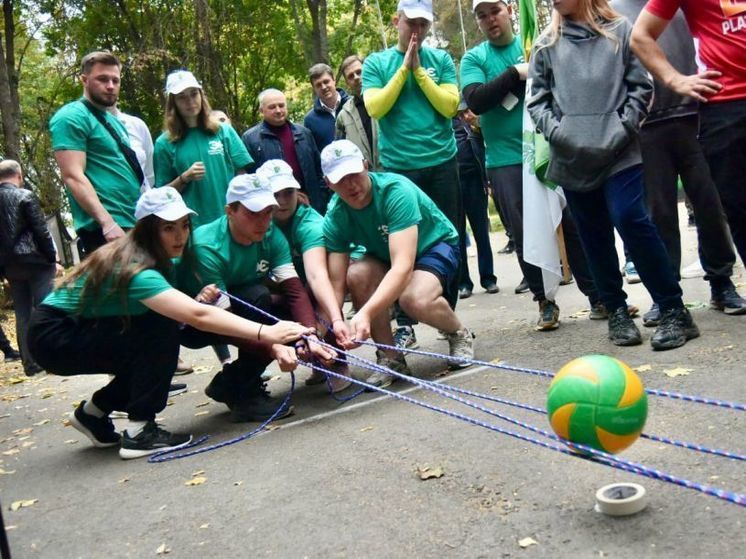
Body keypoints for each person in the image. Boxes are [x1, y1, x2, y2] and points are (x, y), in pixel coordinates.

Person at [27, 187, 311, 459]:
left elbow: (189, 307)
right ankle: (139, 432)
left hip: (70, 327)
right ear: (148, 230)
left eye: (184, 225)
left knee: (151, 337)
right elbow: (197, 316)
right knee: (159, 332)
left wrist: (197, 299)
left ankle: (93, 414)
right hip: (55, 334)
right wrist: (269, 334)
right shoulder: (137, 270)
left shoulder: (155, 258)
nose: (180, 236)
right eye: (168, 228)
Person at [527, 0, 698, 350]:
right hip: (572, 157)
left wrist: (623, 128)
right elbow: (538, 102)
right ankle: (616, 310)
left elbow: (641, 87)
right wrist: (560, 133)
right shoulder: (546, 44)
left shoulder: (621, 32)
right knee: (593, 233)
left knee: (630, 217)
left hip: (621, 152)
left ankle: (673, 309)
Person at [463, 0, 601, 330]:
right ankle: (545, 301)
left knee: (573, 223)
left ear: (510, 10)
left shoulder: (538, 41)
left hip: (552, 149)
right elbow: (477, 100)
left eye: (494, 11)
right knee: (526, 233)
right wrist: (514, 73)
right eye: (481, 16)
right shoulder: (474, 58)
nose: (489, 19)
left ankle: (599, 296)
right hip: (507, 160)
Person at [613, 0, 746, 322]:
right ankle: (666, 294)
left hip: (697, 112)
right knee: (658, 213)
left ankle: (721, 281)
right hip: (647, 125)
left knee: (711, 204)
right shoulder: (612, 8)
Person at [322, 140, 474, 387]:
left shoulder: (395, 191)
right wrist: (335, 322)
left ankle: (458, 333)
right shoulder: (335, 216)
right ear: (328, 183)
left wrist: (365, 313)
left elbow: (403, 267)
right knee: (358, 274)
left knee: (414, 298)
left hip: (433, 244)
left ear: (365, 165)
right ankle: (391, 357)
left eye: (354, 173)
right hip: (385, 255)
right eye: (340, 179)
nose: (351, 184)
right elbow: (336, 282)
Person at [184, 173, 336, 420]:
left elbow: (294, 289)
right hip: (194, 320)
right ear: (230, 211)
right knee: (259, 300)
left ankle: (229, 382)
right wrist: (276, 346)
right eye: (253, 213)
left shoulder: (270, 233)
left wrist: (309, 335)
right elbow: (226, 325)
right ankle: (246, 396)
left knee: (288, 315)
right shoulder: (208, 247)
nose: (263, 221)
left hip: (241, 305)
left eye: (267, 211)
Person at [362, 0, 462, 350]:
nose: (417, 30)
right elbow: (375, 107)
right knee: (401, 248)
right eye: (411, 22)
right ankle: (404, 324)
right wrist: (404, 68)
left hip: (442, 163)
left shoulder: (441, 61)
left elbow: (450, 106)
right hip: (399, 171)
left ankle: (447, 317)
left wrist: (420, 72)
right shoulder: (377, 63)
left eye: (424, 24)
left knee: (448, 240)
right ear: (396, 21)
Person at [259, 159, 351, 392]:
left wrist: (331, 322)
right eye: (275, 194)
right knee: (259, 298)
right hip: (282, 285)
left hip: (321, 280)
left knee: (317, 294)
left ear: (296, 190)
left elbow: (317, 275)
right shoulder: (258, 220)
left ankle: (336, 359)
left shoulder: (310, 224)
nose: (281, 201)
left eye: (287, 193)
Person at [49, 51, 141, 258]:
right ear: (84, 80)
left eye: (115, 80)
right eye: (102, 79)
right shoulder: (71, 116)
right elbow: (72, 175)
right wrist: (107, 223)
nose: (110, 85)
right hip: (105, 229)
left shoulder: (114, 122)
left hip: (132, 221)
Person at [153, 70, 253, 229]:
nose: (190, 101)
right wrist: (184, 178)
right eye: (182, 97)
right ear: (173, 103)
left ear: (201, 96)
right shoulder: (164, 143)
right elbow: (162, 194)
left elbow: (242, 176)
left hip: (230, 222)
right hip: (193, 227)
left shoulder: (223, 131)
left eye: (194, 94)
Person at [0, 160, 61, 376]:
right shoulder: (25, 195)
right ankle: (51, 358)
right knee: (45, 308)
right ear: (19, 175)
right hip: (35, 261)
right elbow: (41, 231)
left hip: (11, 266)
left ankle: (30, 363)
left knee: (23, 313)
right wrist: (52, 259)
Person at [242, 89, 329, 214]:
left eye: (281, 105)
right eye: (272, 107)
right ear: (262, 111)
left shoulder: (304, 133)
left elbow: (319, 169)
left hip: (311, 205)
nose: (278, 110)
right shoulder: (250, 139)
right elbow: (250, 178)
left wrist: (321, 198)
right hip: (274, 208)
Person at [452, 104, 498, 299]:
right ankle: (464, 283)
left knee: (481, 233)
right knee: (458, 235)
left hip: (474, 182)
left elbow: (482, 150)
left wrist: (486, 180)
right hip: (452, 185)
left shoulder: (469, 122)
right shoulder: (443, 127)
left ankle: (488, 278)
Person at [335, 55, 379, 170]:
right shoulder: (343, 116)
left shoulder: (386, 98)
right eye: (350, 76)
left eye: (359, 72)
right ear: (347, 83)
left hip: (395, 173)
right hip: (365, 180)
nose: (356, 77)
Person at [304, 63, 349, 152]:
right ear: (314, 88)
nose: (324, 87)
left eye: (326, 81)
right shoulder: (310, 120)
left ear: (334, 80)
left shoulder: (352, 105)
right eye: (318, 85)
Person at [110, 105, 155, 192]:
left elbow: (149, 174)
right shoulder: (83, 123)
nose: (110, 90)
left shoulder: (136, 124)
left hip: (140, 201)